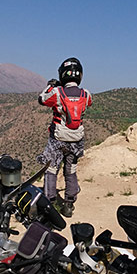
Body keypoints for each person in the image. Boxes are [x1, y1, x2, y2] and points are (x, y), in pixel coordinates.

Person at [37, 57, 92, 217]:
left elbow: (42, 99)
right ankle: (69, 204)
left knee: (52, 169)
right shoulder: (86, 94)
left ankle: (50, 203)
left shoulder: (56, 92)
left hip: (58, 138)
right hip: (77, 139)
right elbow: (89, 103)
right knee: (71, 170)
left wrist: (51, 86)